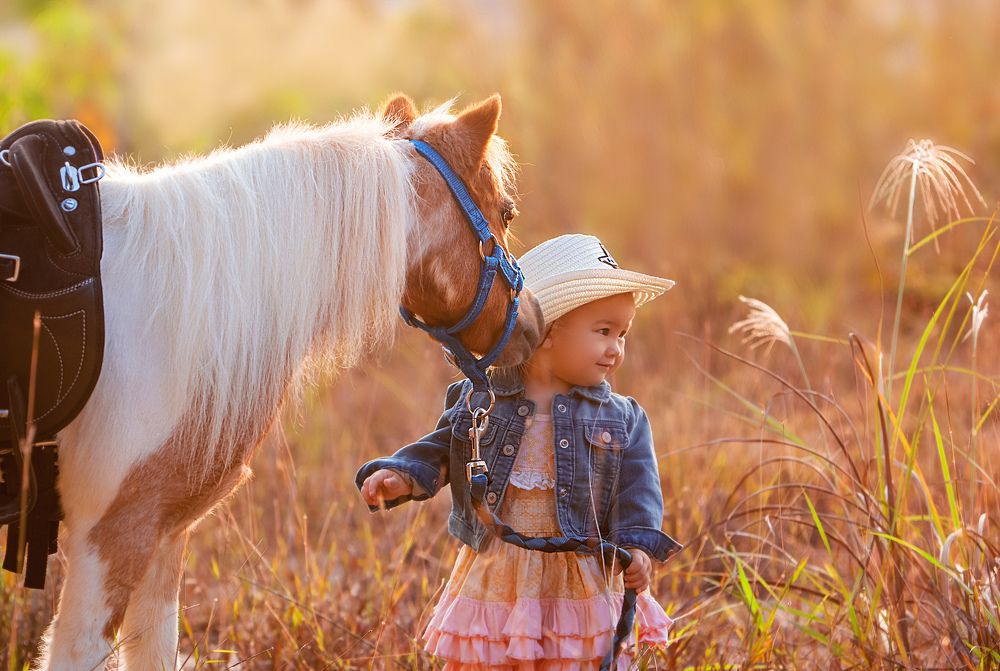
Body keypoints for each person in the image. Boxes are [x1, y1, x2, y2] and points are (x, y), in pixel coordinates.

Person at [356, 234, 683, 669]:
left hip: (579, 574)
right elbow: (444, 448)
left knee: (574, 656)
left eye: (622, 334)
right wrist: (404, 475)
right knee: (494, 657)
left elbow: (638, 493)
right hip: (499, 571)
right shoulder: (482, 398)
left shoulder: (622, 418)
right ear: (546, 331)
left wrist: (637, 548)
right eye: (604, 332)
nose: (615, 349)